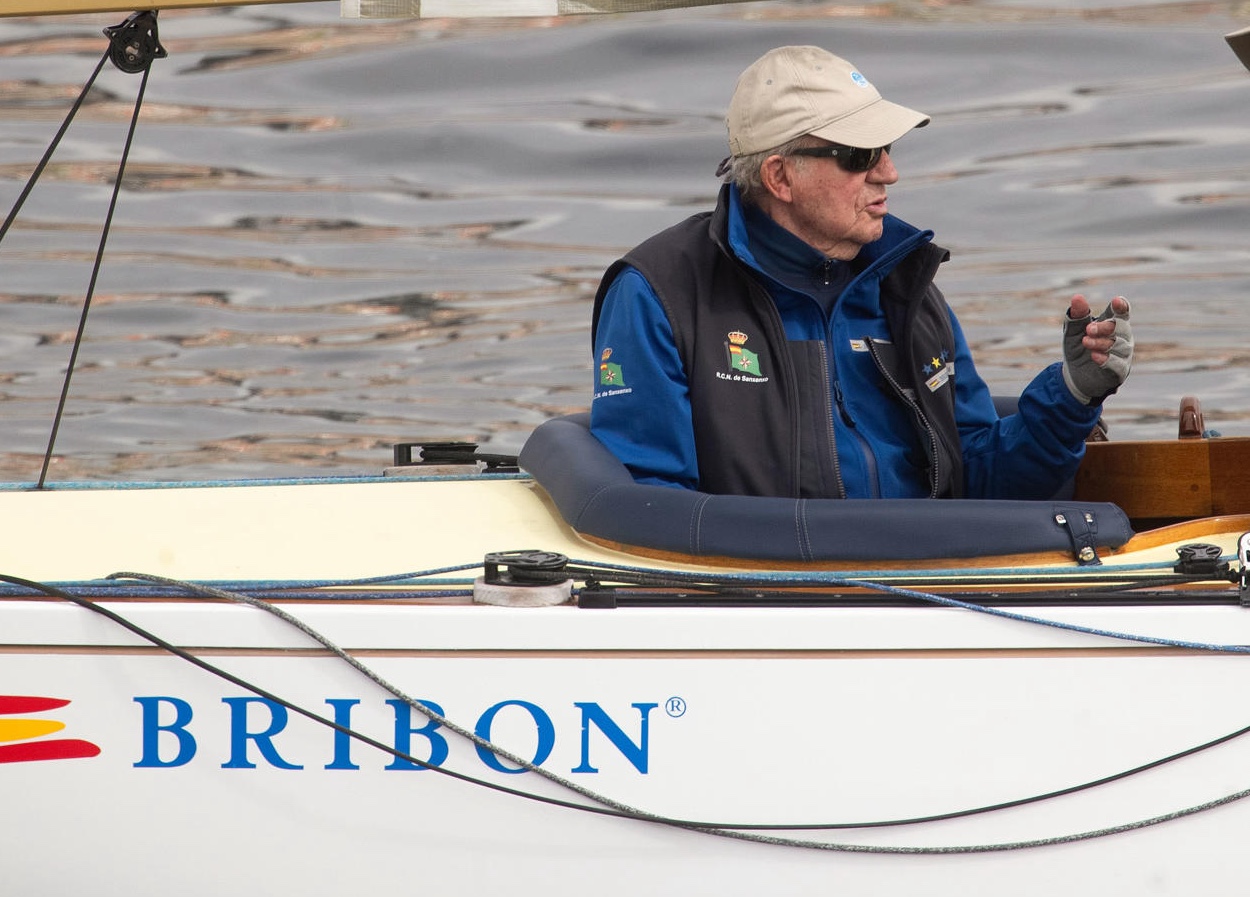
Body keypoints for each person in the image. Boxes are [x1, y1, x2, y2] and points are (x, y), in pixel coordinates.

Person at [588, 45, 1133, 501]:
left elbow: (975, 481)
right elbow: (651, 509)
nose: (889, 173)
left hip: (924, 592)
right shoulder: (657, 293)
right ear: (780, 176)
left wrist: (1070, 397)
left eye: (888, 149)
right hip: (765, 607)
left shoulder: (909, 288)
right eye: (860, 154)